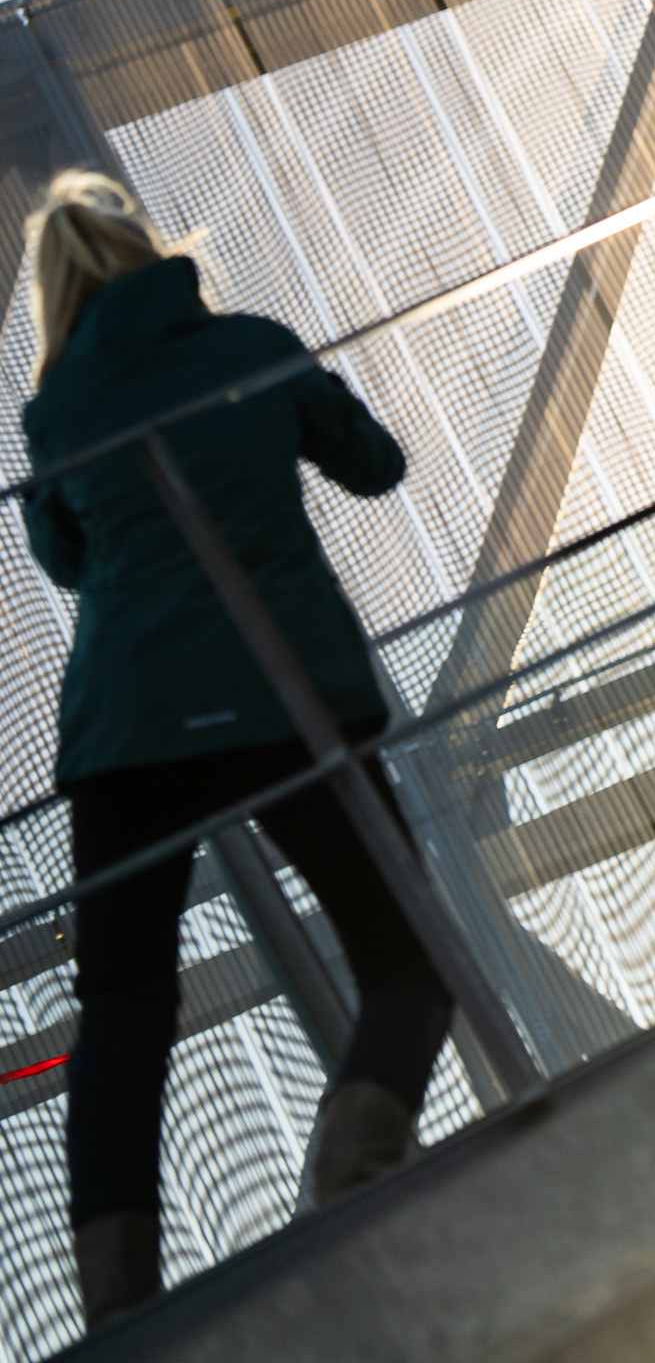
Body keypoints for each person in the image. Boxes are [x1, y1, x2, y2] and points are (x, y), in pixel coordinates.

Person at [18, 171, 457, 1322]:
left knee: (121, 1005)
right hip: (283, 695)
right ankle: (350, 1179)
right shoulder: (252, 346)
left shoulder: (57, 409)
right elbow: (376, 465)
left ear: (57, 291)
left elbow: (68, 559)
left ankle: (117, 1299)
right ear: (153, 252)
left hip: (125, 728)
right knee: (406, 956)